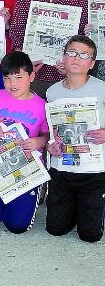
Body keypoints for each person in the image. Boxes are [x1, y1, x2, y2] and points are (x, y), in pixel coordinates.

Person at [0, 51, 50, 233]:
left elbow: (47, 135)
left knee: (17, 226)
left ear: (31, 76)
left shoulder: (42, 105)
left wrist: (38, 141)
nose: (12, 84)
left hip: (26, 170)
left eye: (18, 77)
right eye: (7, 78)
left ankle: (30, 195)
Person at [46, 35, 105, 242]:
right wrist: (50, 145)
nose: (77, 58)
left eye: (84, 55)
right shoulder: (52, 92)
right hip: (62, 169)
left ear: (92, 63)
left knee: (90, 235)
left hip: (94, 171)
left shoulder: (102, 89)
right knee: (56, 229)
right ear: (63, 58)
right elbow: (50, 132)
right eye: (71, 53)